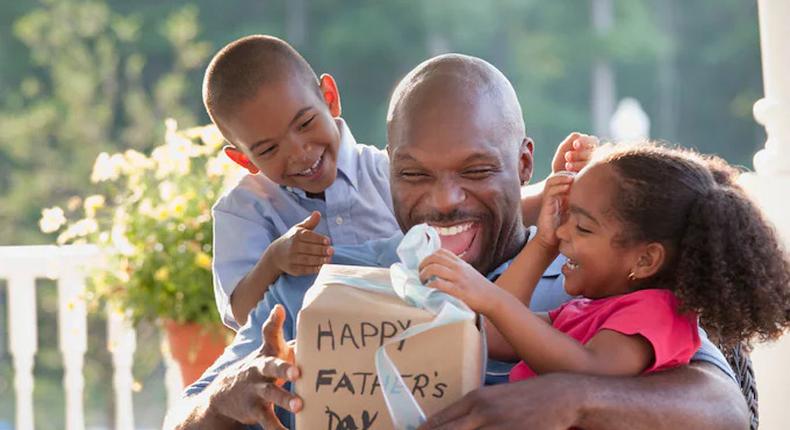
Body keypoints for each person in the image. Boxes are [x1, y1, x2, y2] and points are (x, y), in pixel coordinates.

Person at [165, 54, 748, 430]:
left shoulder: (596, 281)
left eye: (474, 171)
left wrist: (570, 399)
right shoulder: (319, 285)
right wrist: (224, 402)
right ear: (388, 171)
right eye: (415, 174)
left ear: (523, 165)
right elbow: (181, 418)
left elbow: (724, 407)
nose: (444, 200)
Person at [203, 35, 594, 329]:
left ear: (330, 98)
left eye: (305, 124)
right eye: (269, 149)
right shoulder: (252, 218)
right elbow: (242, 320)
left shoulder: (583, 277)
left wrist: (565, 187)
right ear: (243, 159)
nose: (300, 152)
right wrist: (274, 262)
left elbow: (491, 211)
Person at [419, 142, 790, 385]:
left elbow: (587, 372)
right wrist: (544, 244)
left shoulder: (656, 316)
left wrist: (493, 299)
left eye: (581, 226)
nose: (563, 232)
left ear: (645, 259)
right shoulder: (587, 311)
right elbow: (495, 334)